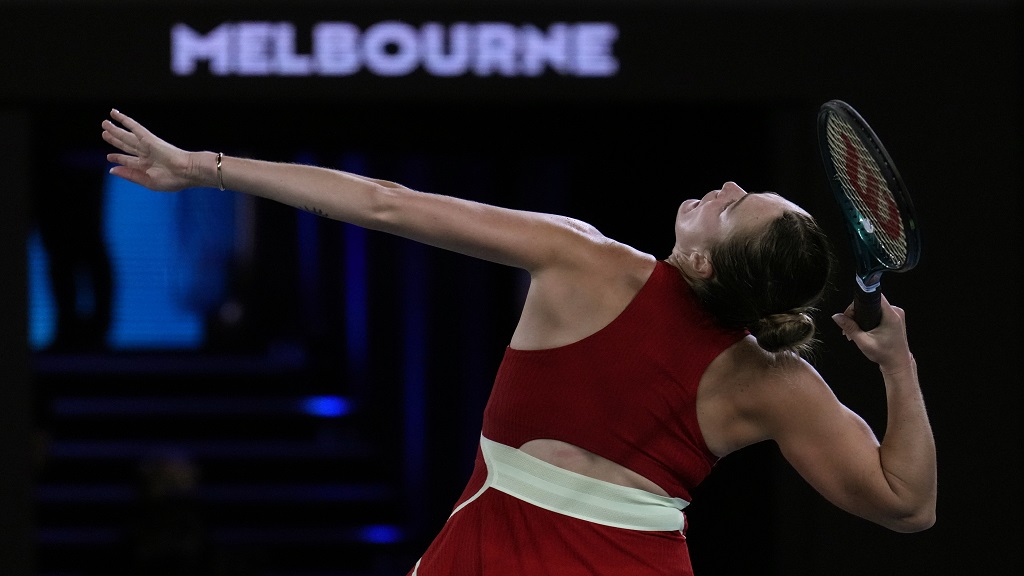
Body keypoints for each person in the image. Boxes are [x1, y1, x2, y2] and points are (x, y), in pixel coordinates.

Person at [100, 108, 936, 576]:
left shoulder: (586, 261)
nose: (726, 184)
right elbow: (907, 506)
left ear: (706, 258)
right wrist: (896, 366)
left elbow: (385, 204)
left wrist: (204, 166)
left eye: (733, 203)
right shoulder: (778, 382)